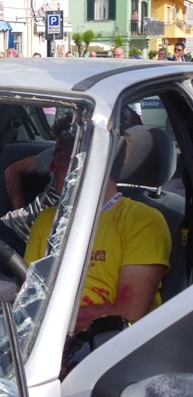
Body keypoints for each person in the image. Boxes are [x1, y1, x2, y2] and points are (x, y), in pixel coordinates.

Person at [24, 126, 171, 331]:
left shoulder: (143, 221)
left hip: (109, 341)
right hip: (45, 338)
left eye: (62, 159)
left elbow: (128, 312)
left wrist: (47, 322)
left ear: (94, 164)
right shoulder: (47, 219)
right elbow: (28, 294)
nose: (51, 167)